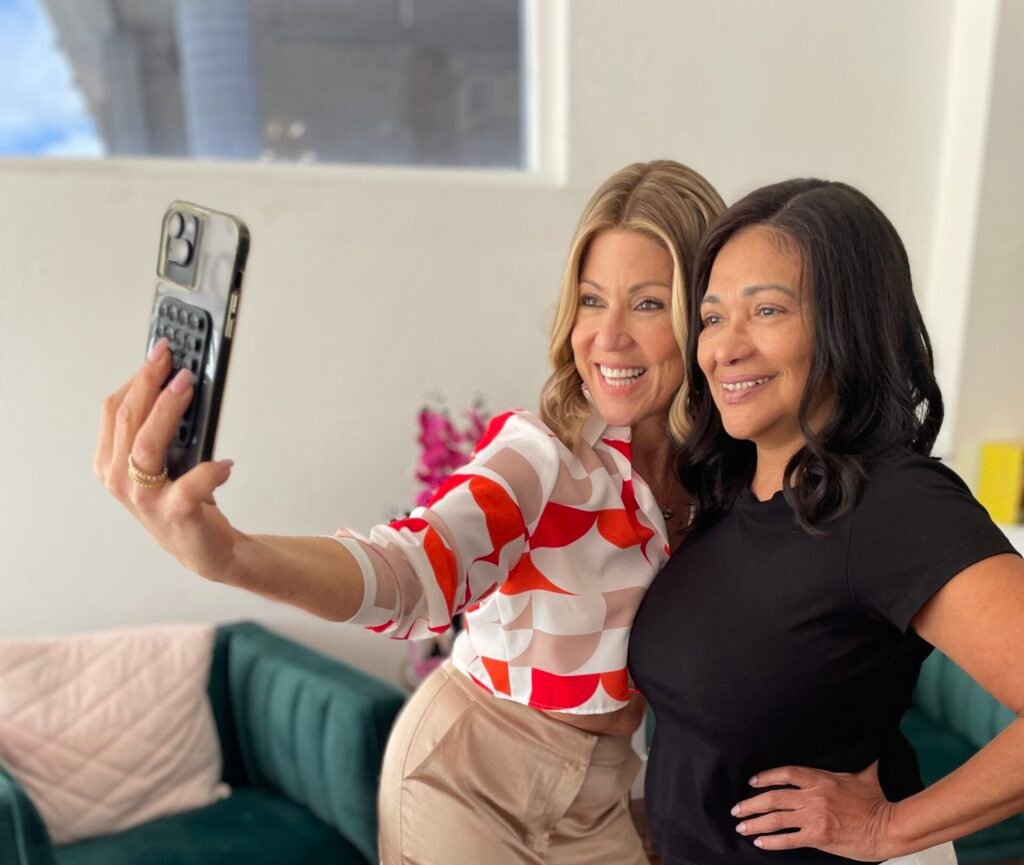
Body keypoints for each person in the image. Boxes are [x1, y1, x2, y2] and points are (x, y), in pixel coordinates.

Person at [94, 160, 726, 864]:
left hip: (604, 799)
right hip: (465, 781)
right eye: (589, 299)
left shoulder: (718, 484)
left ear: (702, 315)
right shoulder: (542, 458)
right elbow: (415, 564)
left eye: (646, 303)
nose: (607, 336)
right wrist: (233, 553)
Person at [628, 178, 1024, 865]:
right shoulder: (723, 488)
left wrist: (889, 827)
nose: (725, 347)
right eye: (714, 317)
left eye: (768, 310)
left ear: (850, 324)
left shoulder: (895, 503)